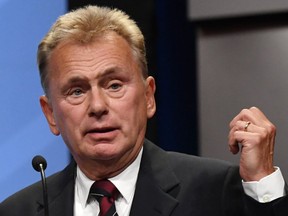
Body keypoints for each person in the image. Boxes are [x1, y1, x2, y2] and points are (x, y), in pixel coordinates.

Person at [0, 5, 286, 216]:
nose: (97, 107)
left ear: (149, 97)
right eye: (76, 91)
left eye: (114, 85)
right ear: (50, 114)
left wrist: (262, 182)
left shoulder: (216, 192)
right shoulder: (17, 211)